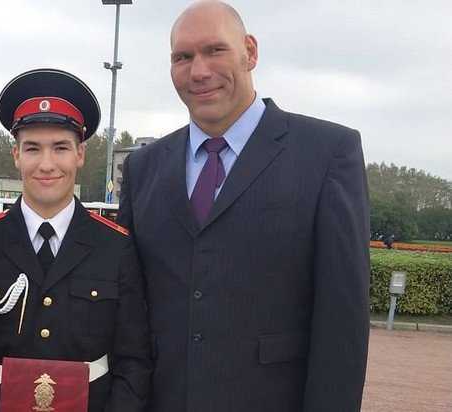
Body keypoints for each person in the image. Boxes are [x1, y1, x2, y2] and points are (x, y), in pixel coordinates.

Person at [117, 2, 371, 411]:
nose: (198, 71)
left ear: (249, 52)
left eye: (214, 50)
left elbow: (342, 321)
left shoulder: (327, 154)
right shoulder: (143, 168)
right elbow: (127, 310)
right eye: (183, 57)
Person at [0, 68, 151, 412]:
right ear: (16, 155)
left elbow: (134, 361)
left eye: (60, 148)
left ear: (80, 154)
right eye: (33, 149)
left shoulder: (116, 246)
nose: (46, 164)